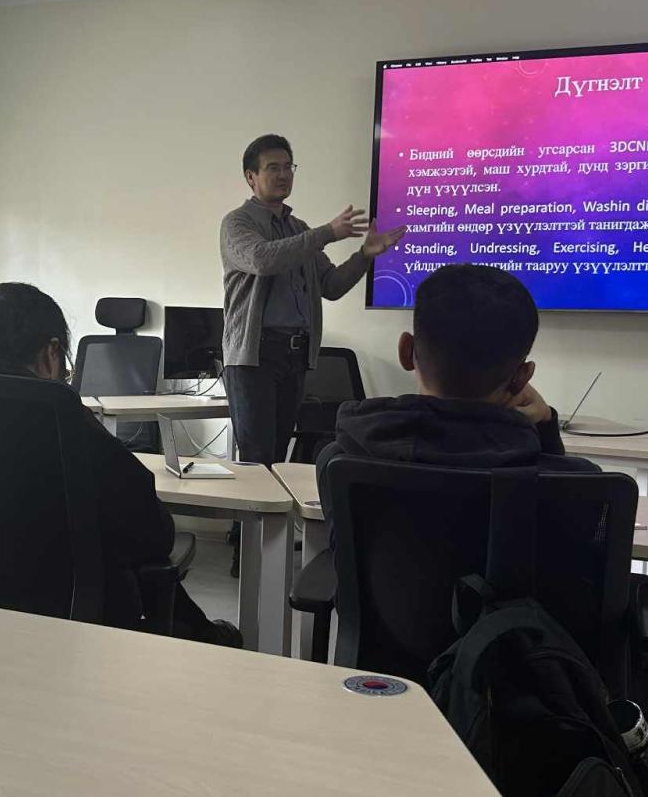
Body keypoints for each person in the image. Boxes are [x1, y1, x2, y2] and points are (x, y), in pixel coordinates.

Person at [0, 282, 241, 646]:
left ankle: (202, 630)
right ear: (52, 353)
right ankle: (206, 634)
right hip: (64, 630)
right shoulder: (65, 423)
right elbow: (154, 532)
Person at [316, 263, 598, 530]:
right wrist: (546, 427)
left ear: (406, 351)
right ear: (521, 377)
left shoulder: (341, 460)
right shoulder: (581, 484)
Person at [220, 134, 405, 468]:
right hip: (254, 355)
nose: (283, 174)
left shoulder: (298, 228)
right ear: (251, 177)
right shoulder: (237, 222)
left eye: (288, 167)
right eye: (272, 168)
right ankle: (251, 507)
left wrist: (365, 255)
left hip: (295, 354)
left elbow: (331, 285)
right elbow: (262, 259)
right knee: (257, 459)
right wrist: (326, 233)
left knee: (279, 459)